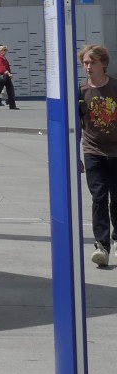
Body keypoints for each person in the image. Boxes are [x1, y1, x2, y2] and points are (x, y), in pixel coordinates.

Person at [78, 44, 117, 268]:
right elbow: (76, 123)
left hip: (116, 151)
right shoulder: (81, 91)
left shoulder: (115, 86)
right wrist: (74, 155)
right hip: (93, 150)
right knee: (99, 197)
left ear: (104, 63)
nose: (88, 66)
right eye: (85, 62)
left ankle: (116, 237)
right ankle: (102, 246)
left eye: (92, 62)